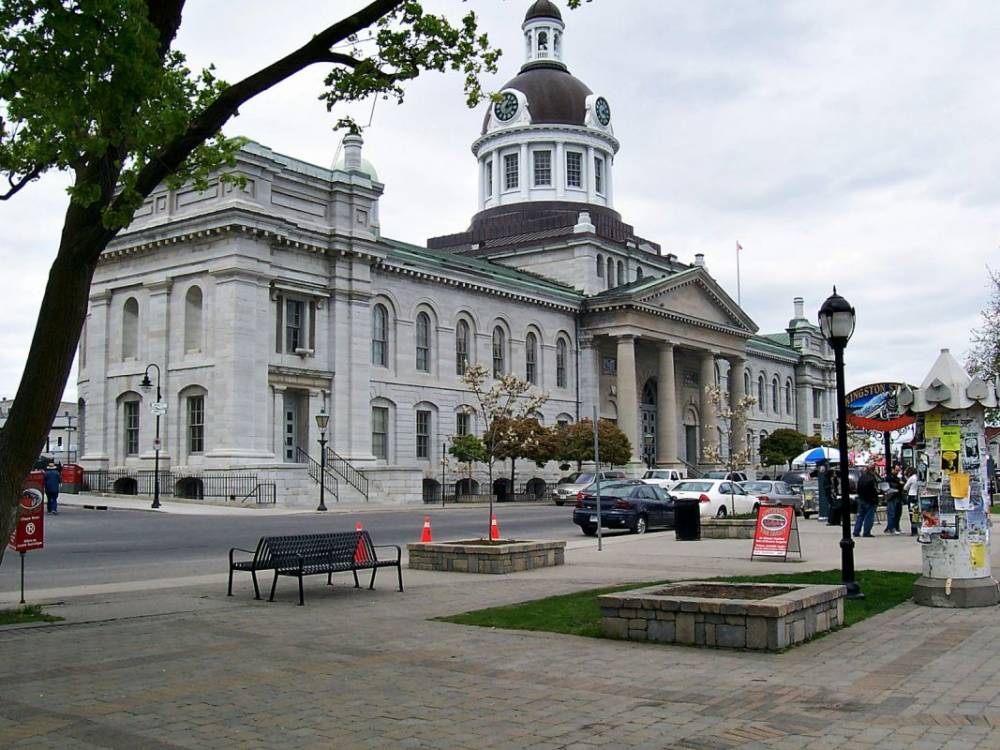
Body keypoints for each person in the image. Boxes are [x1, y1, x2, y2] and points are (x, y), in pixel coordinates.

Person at [853, 465, 879, 537]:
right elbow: (874, 490)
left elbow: (858, 488)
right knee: (869, 517)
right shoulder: (872, 479)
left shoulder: (861, 477)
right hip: (870, 500)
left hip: (861, 499)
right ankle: (866, 532)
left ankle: (856, 531)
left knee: (860, 516)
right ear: (872, 471)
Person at [883, 463, 903, 534]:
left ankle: (896, 527)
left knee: (898, 513)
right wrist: (899, 484)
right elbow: (891, 485)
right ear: (892, 469)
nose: (897, 472)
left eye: (898, 470)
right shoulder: (889, 477)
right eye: (896, 470)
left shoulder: (897, 478)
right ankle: (891, 528)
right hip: (892, 497)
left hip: (898, 497)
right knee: (892, 513)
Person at [902, 466, 919, 535]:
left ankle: (913, 530)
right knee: (916, 513)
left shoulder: (911, 478)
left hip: (911, 496)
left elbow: (905, 487)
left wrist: (906, 479)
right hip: (917, 496)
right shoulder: (918, 478)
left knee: (912, 513)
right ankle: (916, 528)